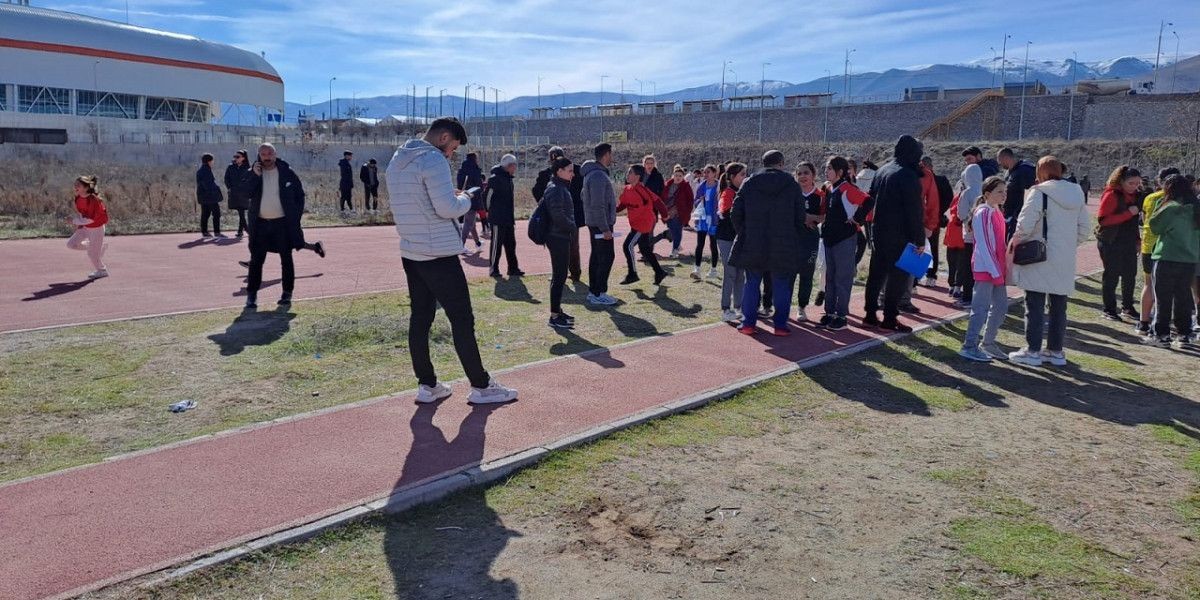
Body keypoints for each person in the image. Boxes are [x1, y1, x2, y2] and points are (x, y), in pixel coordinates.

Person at [384, 117, 517, 404]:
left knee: (420, 318)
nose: (451, 154)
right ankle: (481, 385)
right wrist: (467, 198)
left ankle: (427, 384)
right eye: (452, 148)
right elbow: (447, 209)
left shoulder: (398, 158)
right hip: (439, 254)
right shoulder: (432, 160)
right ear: (444, 137)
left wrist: (451, 197)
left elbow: (420, 200)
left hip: (411, 250)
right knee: (461, 319)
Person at [1007, 156, 1090, 366]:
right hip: (1064, 256)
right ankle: (1055, 351)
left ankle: (1032, 350)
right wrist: (1067, 245)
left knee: (1034, 303)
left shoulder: (1039, 192)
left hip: (1039, 255)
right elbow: (1084, 229)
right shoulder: (1077, 193)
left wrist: (1016, 241)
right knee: (1058, 305)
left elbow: (1024, 225)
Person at [730, 150, 805, 336]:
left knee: (752, 282)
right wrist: (793, 234)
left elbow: (735, 212)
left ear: (763, 163)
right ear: (781, 163)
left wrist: (745, 232)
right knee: (781, 283)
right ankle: (780, 325)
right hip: (783, 241)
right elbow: (800, 216)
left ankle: (748, 323)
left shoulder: (750, 182)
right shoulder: (791, 184)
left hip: (754, 240)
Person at [244, 143, 326, 309]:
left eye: (269, 153)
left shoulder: (287, 172)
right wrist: (254, 175)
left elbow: (299, 196)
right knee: (256, 261)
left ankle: (286, 294)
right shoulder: (253, 172)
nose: (266, 156)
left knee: (286, 259)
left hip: (282, 224)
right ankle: (251, 296)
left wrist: (295, 217)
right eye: (263, 153)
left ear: (275, 154)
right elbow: (244, 193)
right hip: (260, 225)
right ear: (259, 155)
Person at [861, 135, 928, 333]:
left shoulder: (882, 170)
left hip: (879, 230)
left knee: (876, 275)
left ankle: (870, 314)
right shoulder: (908, 175)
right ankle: (890, 317)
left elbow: (870, 198)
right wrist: (919, 239)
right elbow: (914, 211)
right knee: (898, 278)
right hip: (900, 234)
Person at [959, 176, 1010, 362]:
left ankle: (988, 343)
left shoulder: (996, 211)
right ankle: (969, 345)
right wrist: (994, 270)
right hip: (986, 268)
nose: (1004, 195)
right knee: (980, 308)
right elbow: (984, 244)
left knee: (1001, 306)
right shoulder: (983, 212)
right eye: (999, 192)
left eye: (1005, 192)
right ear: (987, 194)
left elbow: (999, 243)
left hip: (997, 268)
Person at [1145, 174, 1200, 348]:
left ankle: (1161, 334)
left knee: (1163, 298)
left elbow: (1154, 225)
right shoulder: (1196, 209)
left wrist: (1161, 204)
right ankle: (1184, 334)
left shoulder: (1171, 207)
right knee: (1183, 297)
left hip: (1167, 257)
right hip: (1190, 259)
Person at [819, 156, 867, 331]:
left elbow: (868, 201)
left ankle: (841, 315)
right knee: (830, 277)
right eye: (826, 168)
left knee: (842, 278)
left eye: (830, 168)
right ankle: (829, 312)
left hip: (845, 240)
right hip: (829, 239)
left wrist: (857, 219)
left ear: (840, 172)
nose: (826, 171)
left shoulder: (848, 188)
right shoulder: (828, 188)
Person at [1135, 167, 1181, 334]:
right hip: (1167, 248)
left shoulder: (1150, 198)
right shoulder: (1178, 201)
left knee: (1148, 284)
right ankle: (1166, 322)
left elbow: (1145, 218)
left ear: (1159, 181)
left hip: (1149, 245)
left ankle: (1143, 323)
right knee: (1172, 288)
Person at [1096, 165, 1143, 321]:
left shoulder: (1137, 196)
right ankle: (1109, 309)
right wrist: (1128, 213)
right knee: (1111, 276)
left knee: (1130, 275)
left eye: (1137, 183)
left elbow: (1134, 223)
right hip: (1110, 240)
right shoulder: (1111, 194)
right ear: (1121, 181)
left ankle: (1128, 307)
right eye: (1131, 183)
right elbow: (1103, 220)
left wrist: (1137, 240)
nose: (1135, 187)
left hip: (1128, 241)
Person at [532, 147, 585, 281]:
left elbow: (537, 190)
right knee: (566, 245)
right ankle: (569, 272)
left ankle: (571, 272)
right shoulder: (575, 170)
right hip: (561, 215)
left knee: (566, 245)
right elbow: (536, 190)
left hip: (567, 215)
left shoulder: (575, 171)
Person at [617, 164, 669, 286]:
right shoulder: (627, 189)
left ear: (637, 176)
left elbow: (658, 202)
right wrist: (612, 210)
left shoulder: (644, 190)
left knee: (627, 246)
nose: (627, 174)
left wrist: (665, 215)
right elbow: (622, 205)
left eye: (630, 172)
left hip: (643, 224)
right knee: (645, 249)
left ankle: (632, 274)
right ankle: (659, 272)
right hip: (635, 223)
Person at [542, 157, 579, 330]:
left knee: (560, 275)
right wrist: (572, 226)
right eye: (570, 170)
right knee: (559, 276)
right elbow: (557, 215)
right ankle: (554, 316)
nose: (573, 174)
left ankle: (557, 311)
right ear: (559, 171)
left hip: (560, 235)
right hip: (557, 237)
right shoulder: (556, 189)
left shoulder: (559, 187)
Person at [581, 143, 618, 306]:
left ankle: (594, 291)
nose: (612, 157)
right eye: (611, 154)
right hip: (600, 224)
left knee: (597, 256)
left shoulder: (593, 174)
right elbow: (598, 204)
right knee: (605, 256)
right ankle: (598, 292)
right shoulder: (597, 176)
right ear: (606, 155)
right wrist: (605, 228)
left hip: (596, 222)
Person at [716, 162, 749, 322]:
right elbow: (724, 213)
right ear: (731, 177)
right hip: (727, 238)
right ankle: (725, 308)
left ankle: (739, 306)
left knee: (740, 274)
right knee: (730, 273)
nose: (745, 177)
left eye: (745, 174)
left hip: (740, 238)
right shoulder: (728, 193)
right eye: (742, 174)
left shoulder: (743, 192)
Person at [955, 146, 986, 308]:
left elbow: (960, 213)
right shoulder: (984, 190)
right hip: (982, 235)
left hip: (968, 234)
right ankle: (979, 296)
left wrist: (967, 220)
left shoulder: (966, 192)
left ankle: (967, 297)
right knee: (980, 266)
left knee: (967, 266)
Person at [793, 161, 824, 323]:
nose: (802, 176)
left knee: (806, 275)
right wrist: (801, 218)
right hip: (791, 239)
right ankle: (780, 306)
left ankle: (802, 307)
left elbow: (824, 217)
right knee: (788, 274)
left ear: (813, 175)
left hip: (810, 240)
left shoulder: (821, 196)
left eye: (806, 173)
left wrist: (810, 218)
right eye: (799, 173)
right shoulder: (792, 193)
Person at [484, 154, 522, 278]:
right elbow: (486, 197)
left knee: (511, 244)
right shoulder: (495, 179)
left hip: (508, 218)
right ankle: (493, 269)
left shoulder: (509, 178)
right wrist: (489, 211)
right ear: (509, 166)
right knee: (496, 244)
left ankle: (513, 268)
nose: (515, 168)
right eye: (514, 165)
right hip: (497, 218)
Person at [67, 175, 109, 279]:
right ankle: (98, 248)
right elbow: (82, 213)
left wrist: (74, 221)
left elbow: (91, 219)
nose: (75, 186)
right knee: (71, 244)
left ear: (86, 188)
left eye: (78, 185)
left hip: (96, 229)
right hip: (86, 227)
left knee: (92, 255)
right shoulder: (78, 198)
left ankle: (102, 270)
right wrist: (80, 225)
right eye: (75, 184)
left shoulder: (93, 200)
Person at [921, 156, 953, 287]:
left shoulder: (940, 180)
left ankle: (931, 275)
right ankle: (919, 276)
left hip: (933, 219)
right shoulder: (918, 178)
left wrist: (939, 212)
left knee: (932, 247)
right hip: (921, 218)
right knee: (920, 247)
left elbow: (949, 198)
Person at [996, 148, 1037, 239]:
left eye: (1000, 161)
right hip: (1009, 215)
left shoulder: (1025, 170)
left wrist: (1018, 215)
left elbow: (1029, 194)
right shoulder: (1009, 173)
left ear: (1006, 158)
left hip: (1018, 217)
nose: (1000, 164)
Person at [655, 165, 693, 258]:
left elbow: (690, 200)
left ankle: (675, 249)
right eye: (676, 175)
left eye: (680, 176)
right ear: (673, 175)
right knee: (672, 230)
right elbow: (662, 197)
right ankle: (677, 245)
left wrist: (687, 211)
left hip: (680, 212)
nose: (678, 177)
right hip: (667, 212)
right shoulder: (667, 185)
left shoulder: (686, 186)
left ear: (683, 177)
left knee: (677, 230)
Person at [691, 164, 721, 280]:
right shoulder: (701, 186)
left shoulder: (719, 186)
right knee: (700, 244)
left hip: (713, 219)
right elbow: (696, 201)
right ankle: (697, 269)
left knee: (713, 245)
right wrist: (700, 200)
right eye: (705, 172)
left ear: (714, 173)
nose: (706, 174)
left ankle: (713, 269)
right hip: (703, 218)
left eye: (708, 172)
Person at [224, 150, 253, 239]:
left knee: (241, 212)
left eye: (238, 157)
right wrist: (229, 187)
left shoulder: (248, 168)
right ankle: (242, 231)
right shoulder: (230, 167)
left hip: (244, 194)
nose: (235, 158)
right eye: (235, 156)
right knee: (241, 212)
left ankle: (246, 231)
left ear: (243, 158)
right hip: (234, 193)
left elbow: (251, 180)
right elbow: (226, 178)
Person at [196, 153, 224, 239]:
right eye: (212, 161)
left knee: (205, 214)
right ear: (209, 161)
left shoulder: (201, 170)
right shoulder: (206, 171)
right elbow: (208, 184)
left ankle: (204, 232)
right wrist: (215, 191)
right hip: (210, 197)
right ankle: (217, 232)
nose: (213, 162)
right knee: (216, 213)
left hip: (203, 196)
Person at [338, 151, 355, 215]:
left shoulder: (347, 163)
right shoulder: (344, 163)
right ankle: (342, 210)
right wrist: (348, 183)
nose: (351, 157)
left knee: (349, 197)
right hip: (344, 183)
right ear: (346, 156)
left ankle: (351, 209)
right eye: (350, 155)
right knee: (344, 197)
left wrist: (351, 184)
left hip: (348, 183)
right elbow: (345, 175)